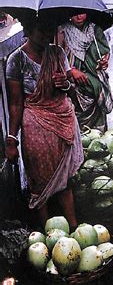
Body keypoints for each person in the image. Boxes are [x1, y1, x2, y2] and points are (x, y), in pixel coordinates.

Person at [5, 16, 84, 228]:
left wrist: (65, 83)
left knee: (64, 181)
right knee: (39, 182)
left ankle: (74, 228)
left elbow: (71, 90)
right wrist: (12, 139)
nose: (47, 37)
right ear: (28, 30)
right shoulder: (16, 60)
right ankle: (46, 234)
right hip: (35, 124)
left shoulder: (57, 53)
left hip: (62, 121)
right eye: (42, 31)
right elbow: (15, 103)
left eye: (50, 32)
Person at [58, 13, 113, 132]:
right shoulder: (62, 31)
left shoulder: (95, 30)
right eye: (75, 14)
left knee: (98, 134)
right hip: (74, 90)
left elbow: (104, 52)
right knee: (77, 128)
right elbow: (57, 59)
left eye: (82, 13)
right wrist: (72, 71)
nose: (79, 17)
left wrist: (104, 60)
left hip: (95, 84)